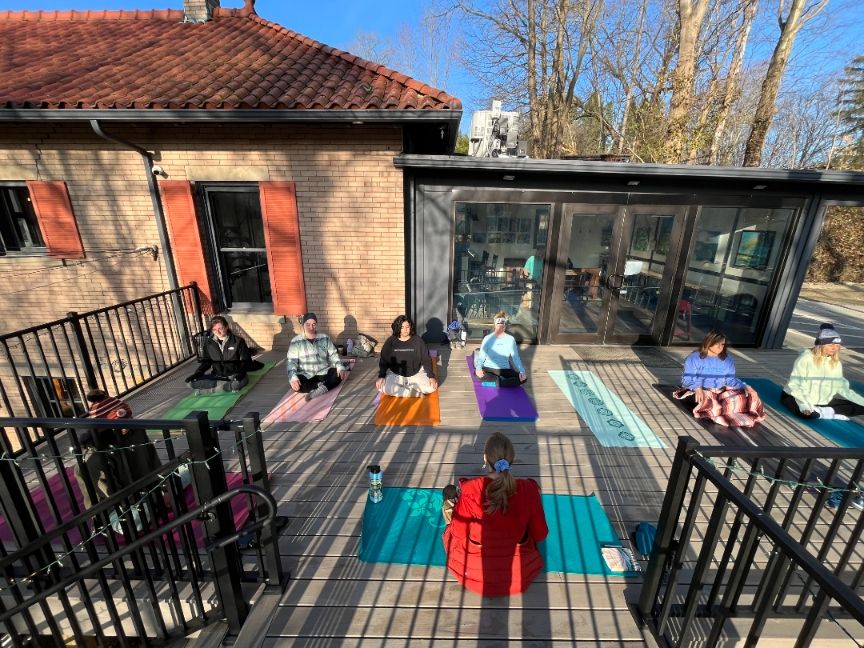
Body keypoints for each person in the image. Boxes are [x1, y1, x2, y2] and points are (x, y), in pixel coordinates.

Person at [441, 432, 548, 597]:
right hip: (518, 574)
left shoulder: (470, 489)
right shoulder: (529, 489)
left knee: (450, 530)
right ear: (511, 460)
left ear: (485, 458)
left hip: (473, 572)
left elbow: (458, 532)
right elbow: (540, 534)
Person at [674, 330, 765, 428]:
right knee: (704, 399)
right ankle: (720, 407)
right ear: (709, 342)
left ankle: (718, 408)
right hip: (700, 390)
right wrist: (697, 388)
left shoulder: (727, 359)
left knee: (748, 396)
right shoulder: (694, 358)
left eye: (722, 344)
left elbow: (730, 380)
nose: (720, 347)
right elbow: (687, 378)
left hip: (720, 391)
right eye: (717, 344)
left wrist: (746, 386)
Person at [781, 323, 864, 420]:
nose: (835, 348)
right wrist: (804, 405)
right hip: (796, 397)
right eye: (831, 344)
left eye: (837, 345)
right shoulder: (805, 359)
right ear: (821, 345)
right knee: (807, 414)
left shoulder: (836, 363)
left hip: (822, 401)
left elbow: (843, 389)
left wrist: (862, 401)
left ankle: (822, 412)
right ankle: (823, 412)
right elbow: (795, 385)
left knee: (861, 407)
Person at [286, 312, 348, 401]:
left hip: (323, 372)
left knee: (339, 374)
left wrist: (339, 367)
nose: (311, 327)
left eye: (313, 324)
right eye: (308, 324)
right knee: (295, 385)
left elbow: (333, 354)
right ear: (303, 324)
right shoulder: (296, 342)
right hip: (306, 374)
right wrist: (293, 377)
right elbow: (291, 361)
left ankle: (317, 391)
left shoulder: (324, 338)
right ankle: (322, 386)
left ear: (316, 324)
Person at [186, 316, 255, 391]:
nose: (217, 332)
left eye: (220, 328)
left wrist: (241, 374)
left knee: (236, 385)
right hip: (217, 376)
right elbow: (206, 362)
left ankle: (218, 386)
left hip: (234, 375)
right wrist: (197, 373)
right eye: (214, 330)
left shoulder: (238, 341)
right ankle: (221, 386)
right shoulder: (209, 343)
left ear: (226, 327)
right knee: (190, 383)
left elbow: (246, 361)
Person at [376, 315, 438, 397]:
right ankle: (412, 393)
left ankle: (404, 389)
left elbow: (426, 359)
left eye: (407, 327)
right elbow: (384, 360)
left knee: (432, 387)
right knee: (381, 387)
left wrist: (431, 376)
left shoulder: (418, 340)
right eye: (402, 327)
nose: (405, 330)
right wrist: (381, 376)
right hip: (396, 375)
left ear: (411, 327)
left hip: (416, 373)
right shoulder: (391, 341)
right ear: (397, 328)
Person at [474, 311, 527, 387]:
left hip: (504, 369)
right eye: (498, 326)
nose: (500, 328)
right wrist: (478, 369)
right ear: (494, 326)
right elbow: (482, 356)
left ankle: (497, 382)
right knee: (479, 376)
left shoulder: (510, 339)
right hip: (489, 369)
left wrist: (522, 371)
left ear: (505, 327)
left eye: (502, 326)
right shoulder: (487, 338)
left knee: (524, 379)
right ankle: (502, 382)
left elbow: (515, 357)